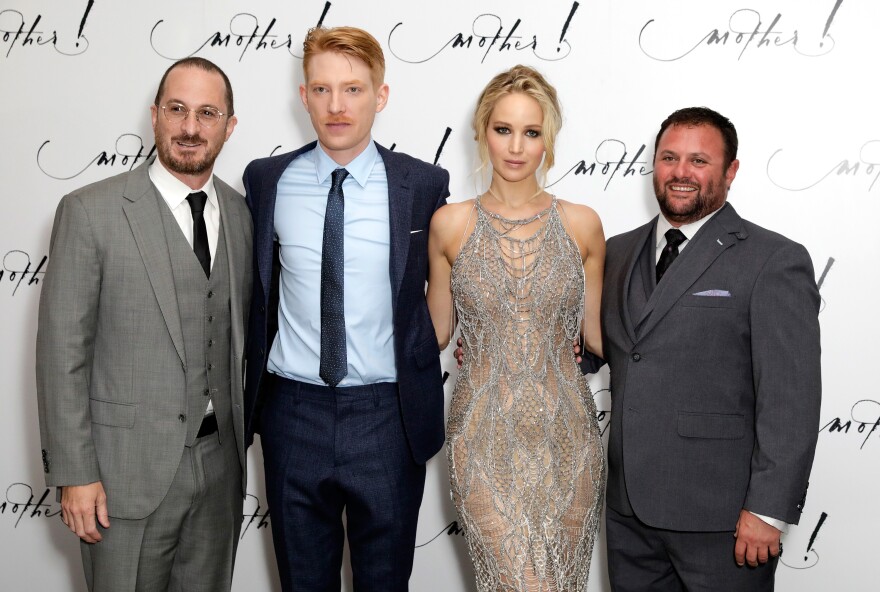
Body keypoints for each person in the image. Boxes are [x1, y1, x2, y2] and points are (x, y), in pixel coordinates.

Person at [242, 26, 450, 591]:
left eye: (354, 89)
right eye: (322, 89)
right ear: (303, 96)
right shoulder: (266, 180)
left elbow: (454, 281)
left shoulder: (423, 184)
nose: (337, 106)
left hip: (388, 415)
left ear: (381, 96)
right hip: (291, 413)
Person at [35, 57, 252, 592]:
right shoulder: (90, 211)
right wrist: (75, 474)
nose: (190, 127)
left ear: (229, 125)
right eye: (177, 109)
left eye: (207, 113)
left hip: (220, 472)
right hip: (120, 477)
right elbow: (62, 354)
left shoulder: (243, 213)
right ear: (154, 115)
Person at [597, 107, 821, 590]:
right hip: (627, 512)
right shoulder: (615, 251)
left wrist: (768, 509)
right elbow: (598, 349)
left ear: (731, 171)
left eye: (699, 160)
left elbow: (792, 398)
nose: (680, 172)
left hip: (724, 520)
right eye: (668, 158)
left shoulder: (774, 260)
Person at [427, 65, 606, 591]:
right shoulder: (450, 223)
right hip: (480, 438)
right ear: (483, 132)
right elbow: (436, 333)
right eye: (504, 129)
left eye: (531, 133)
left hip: (568, 437)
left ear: (548, 141)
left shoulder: (582, 223)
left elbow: (597, 338)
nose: (516, 146)